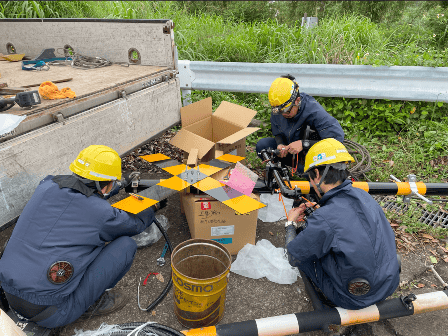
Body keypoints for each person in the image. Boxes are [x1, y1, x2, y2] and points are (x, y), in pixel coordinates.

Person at [0, 145, 166, 328]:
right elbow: (134, 224)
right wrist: (153, 206)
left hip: (8, 291)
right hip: (51, 312)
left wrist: (117, 186)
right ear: (107, 183)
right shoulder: (101, 214)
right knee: (125, 246)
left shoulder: (47, 185)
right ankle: (94, 301)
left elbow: (82, 191)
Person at [285, 138, 400, 309]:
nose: (310, 183)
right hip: (389, 284)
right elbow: (346, 222)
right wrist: (321, 214)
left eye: (310, 177)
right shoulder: (364, 196)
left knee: (305, 256)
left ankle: (322, 306)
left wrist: (290, 224)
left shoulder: (324, 218)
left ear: (316, 174)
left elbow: (294, 255)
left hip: (354, 298)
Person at [256, 75, 345, 174]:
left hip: (312, 155)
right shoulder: (279, 106)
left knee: (308, 172)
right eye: (280, 112)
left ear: (297, 101)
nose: (284, 115)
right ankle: (281, 174)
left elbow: (337, 138)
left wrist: (304, 144)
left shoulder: (313, 110)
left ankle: (304, 172)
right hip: (291, 153)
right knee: (263, 146)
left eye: (287, 111)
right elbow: (277, 132)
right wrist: (280, 144)